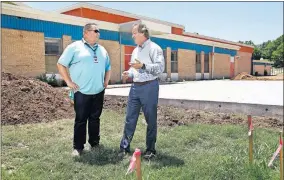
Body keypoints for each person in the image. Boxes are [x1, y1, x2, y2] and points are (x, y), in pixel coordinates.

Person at [57, 23, 111, 157]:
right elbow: (61, 64)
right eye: (96, 30)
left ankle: (94, 142)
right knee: (81, 120)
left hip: (98, 91)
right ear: (86, 33)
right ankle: (78, 147)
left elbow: (108, 67)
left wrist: (106, 81)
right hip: (81, 91)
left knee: (95, 118)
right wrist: (68, 82)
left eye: (99, 31)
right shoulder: (74, 47)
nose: (98, 33)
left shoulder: (102, 49)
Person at [119, 23, 165, 159]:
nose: (132, 36)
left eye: (134, 33)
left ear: (142, 34)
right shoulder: (135, 50)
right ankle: (124, 148)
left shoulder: (155, 48)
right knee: (129, 118)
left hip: (149, 87)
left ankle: (150, 150)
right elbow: (135, 69)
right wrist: (129, 73)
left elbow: (160, 68)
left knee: (151, 120)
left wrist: (143, 65)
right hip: (135, 87)